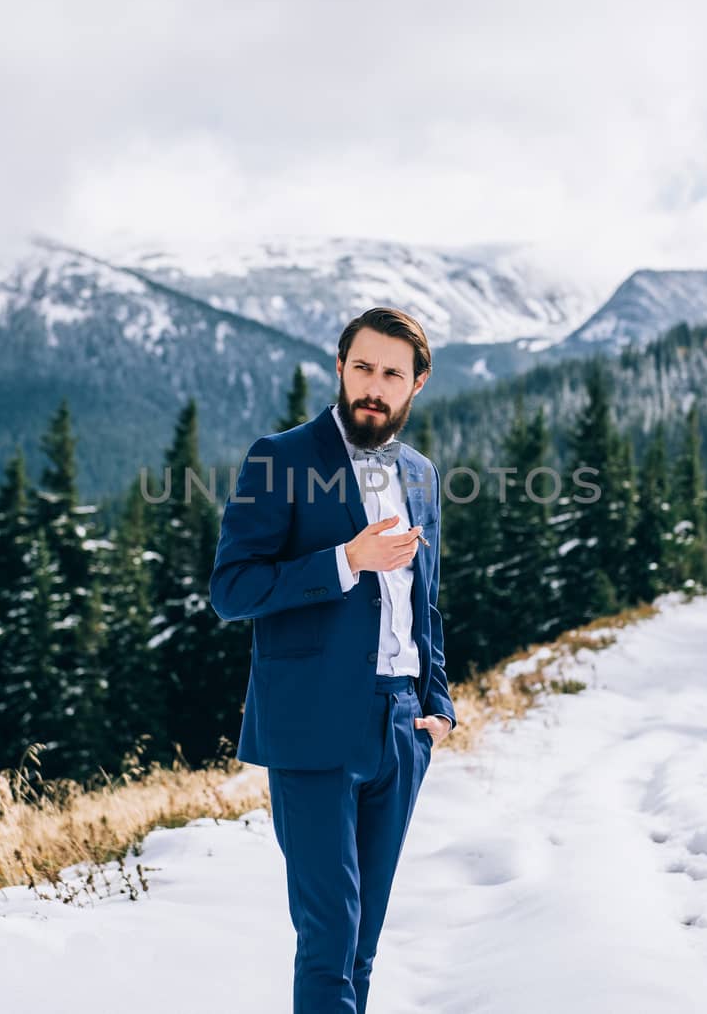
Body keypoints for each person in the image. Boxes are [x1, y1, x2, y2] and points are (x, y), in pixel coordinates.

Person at [209, 306, 459, 1012]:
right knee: (329, 939)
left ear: (417, 384)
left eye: (391, 374)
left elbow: (425, 604)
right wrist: (345, 560)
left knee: (363, 944)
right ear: (341, 367)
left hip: (402, 729)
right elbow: (232, 590)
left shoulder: (421, 475)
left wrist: (437, 708)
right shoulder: (281, 458)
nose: (373, 387)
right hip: (313, 729)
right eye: (362, 368)